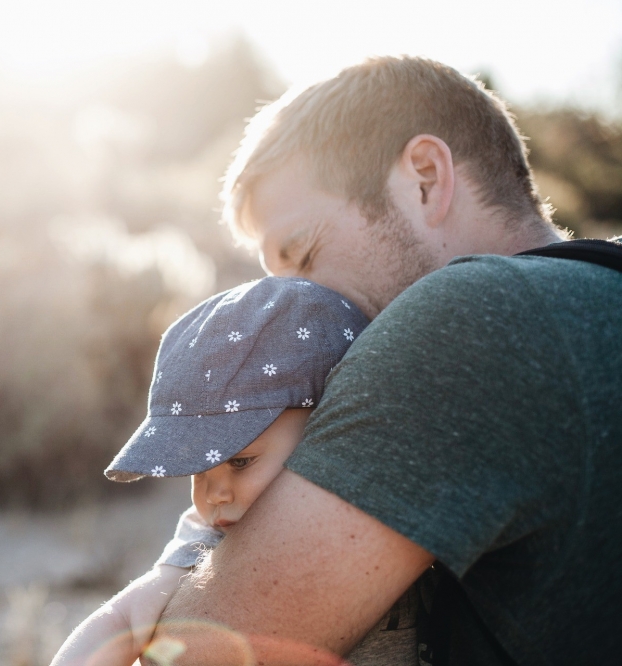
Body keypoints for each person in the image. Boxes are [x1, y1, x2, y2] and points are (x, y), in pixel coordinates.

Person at [149, 56, 622, 665]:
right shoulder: (594, 296)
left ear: (425, 177)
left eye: (304, 254)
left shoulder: (467, 319)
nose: (289, 307)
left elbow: (198, 657)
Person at [52, 276, 423, 666]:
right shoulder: (210, 537)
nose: (214, 494)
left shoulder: (392, 492)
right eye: (197, 471)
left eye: (240, 461)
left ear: (326, 426)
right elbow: (123, 617)